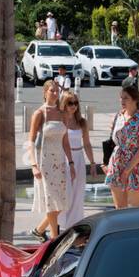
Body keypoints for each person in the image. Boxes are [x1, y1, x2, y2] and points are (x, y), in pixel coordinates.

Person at [28, 79, 73, 239]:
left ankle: (39, 230)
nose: (55, 93)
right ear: (45, 92)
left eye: (56, 91)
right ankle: (54, 237)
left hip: (60, 160)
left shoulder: (62, 114)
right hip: (44, 161)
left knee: (61, 201)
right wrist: (33, 164)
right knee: (51, 200)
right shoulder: (39, 113)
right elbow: (31, 140)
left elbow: (66, 141)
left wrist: (71, 163)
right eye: (51, 90)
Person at [106, 84, 139, 208]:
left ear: (135, 100)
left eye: (125, 98)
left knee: (136, 210)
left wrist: (126, 171)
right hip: (117, 163)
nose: (122, 101)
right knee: (119, 209)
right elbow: (112, 141)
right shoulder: (118, 116)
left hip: (134, 165)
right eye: (121, 98)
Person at [59, 92, 97, 228]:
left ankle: (74, 225)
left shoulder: (82, 122)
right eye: (70, 103)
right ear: (64, 104)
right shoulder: (60, 121)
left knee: (78, 193)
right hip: (64, 158)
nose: (73, 106)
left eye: (75, 103)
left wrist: (92, 163)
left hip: (79, 157)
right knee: (66, 193)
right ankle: (62, 225)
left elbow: (87, 143)